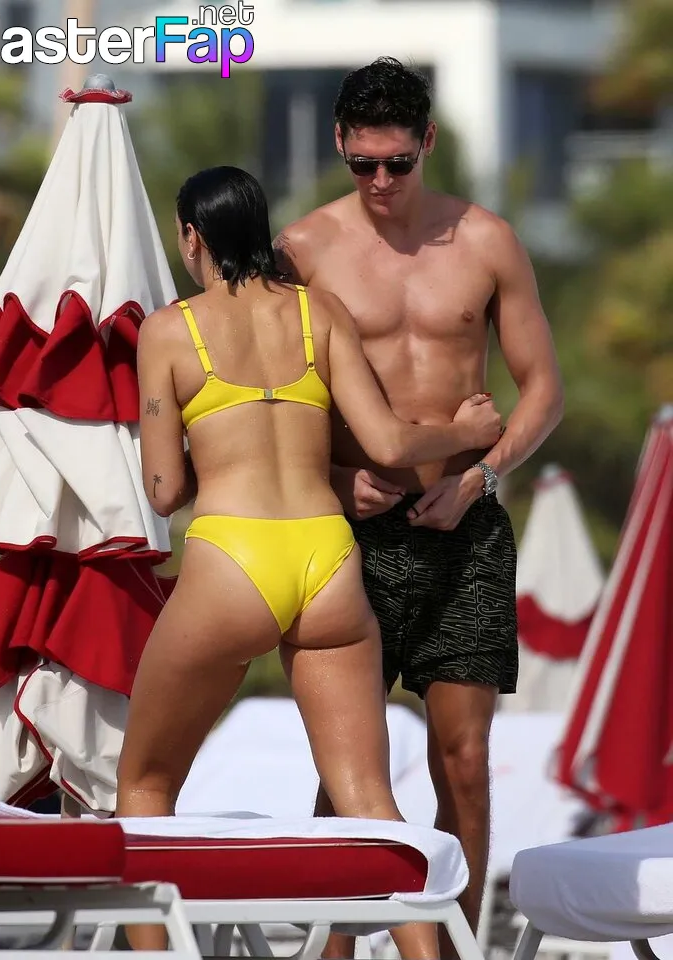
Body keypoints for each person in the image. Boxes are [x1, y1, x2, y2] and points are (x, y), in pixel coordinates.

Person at [115, 165, 502, 952]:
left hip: (233, 558)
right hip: (327, 560)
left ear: (192, 236)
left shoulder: (168, 330)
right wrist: (465, 433)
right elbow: (388, 441)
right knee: (370, 804)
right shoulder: (317, 311)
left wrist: (202, 438)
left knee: (144, 785)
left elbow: (164, 490)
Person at [274, 57, 564, 960]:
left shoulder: (486, 241)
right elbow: (268, 404)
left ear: (427, 142)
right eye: (363, 164)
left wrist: (482, 477)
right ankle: (333, 953)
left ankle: (458, 951)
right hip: (347, 535)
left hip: (466, 528)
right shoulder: (302, 251)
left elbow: (544, 390)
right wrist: (332, 480)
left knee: (464, 765)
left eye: (398, 162)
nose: (381, 181)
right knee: (345, 775)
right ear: (340, 146)